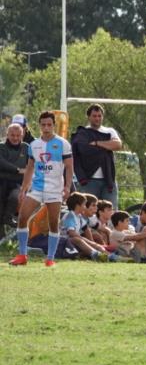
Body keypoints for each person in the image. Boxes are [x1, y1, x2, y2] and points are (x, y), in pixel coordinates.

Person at [9, 111, 73, 267]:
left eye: (49, 125)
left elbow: (69, 167)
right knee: (23, 217)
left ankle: (50, 258)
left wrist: (67, 187)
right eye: (43, 125)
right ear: (39, 126)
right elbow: (30, 168)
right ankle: (22, 255)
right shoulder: (34, 145)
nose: (46, 128)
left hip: (54, 189)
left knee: (53, 223)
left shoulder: (63, 144)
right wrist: (24, 189)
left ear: (53, 125)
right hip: (37, 188)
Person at [70, 103, 122, 206]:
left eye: (99, 116)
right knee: (87, 211)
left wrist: (97, 143)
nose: (97, 118)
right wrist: (106, 146)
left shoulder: (109, 131)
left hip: (108, 180)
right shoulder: (83, 134)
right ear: (88, 117)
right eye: (94, 116)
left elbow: (117, 145)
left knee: (110, 212)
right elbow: (84, 149)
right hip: (89, 181)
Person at [1, 122, 28, 232]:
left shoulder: (26, 147)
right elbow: (2, 163)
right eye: (12, 135)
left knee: (15, 197)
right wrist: (18, 170)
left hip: (18, 184)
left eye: (18, 135)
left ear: (22, 135)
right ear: (7, 134)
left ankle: (8, 218)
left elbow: (33, 164)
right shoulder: (1, 147)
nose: (15, 138)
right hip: (2, 182)